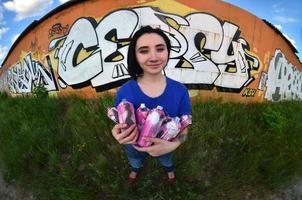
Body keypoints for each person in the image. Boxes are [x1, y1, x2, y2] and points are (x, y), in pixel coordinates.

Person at [111, 26, 191, 183]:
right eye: (144, 51)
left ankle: (169, 170)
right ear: (135, 55)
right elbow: (120, 124)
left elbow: (185, 128)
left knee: (166, 160)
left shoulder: (180, 91)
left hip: (165, 145)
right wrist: (116, 132)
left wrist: (173, 145)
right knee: (135, 159)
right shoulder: (124, 92)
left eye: (160, 49)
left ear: (168, 52)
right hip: (134, 147)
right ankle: (135, 168)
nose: (153, 57)